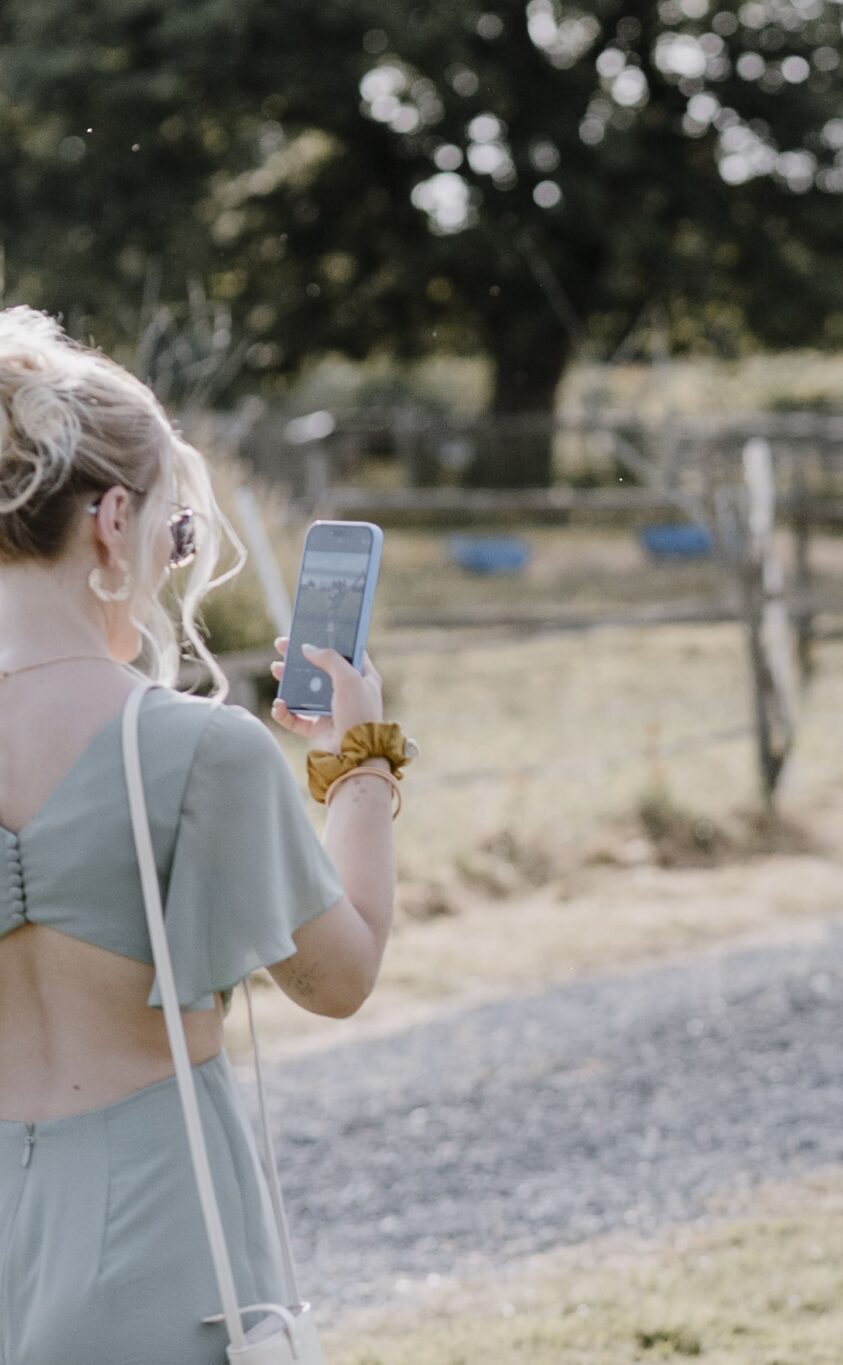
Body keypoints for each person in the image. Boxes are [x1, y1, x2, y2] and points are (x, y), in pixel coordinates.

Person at [0, 306, 404, 1362]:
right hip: (163, 1238)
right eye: (176, 532)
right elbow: (340, 976)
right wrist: (361, 758)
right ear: (111, 518)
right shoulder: (195, 751)